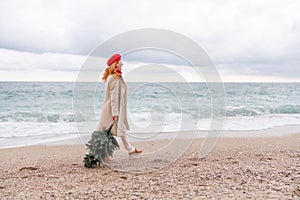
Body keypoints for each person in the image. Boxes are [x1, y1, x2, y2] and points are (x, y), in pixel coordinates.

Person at [97, 53, 142, 156]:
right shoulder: (114, 78)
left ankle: (130, 149)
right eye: (120, 61)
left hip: (113, 109)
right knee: (105, 131)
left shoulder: (115, 76)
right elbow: (114, 97)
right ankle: (100, 153)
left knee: (117, 130)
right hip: (112, 110)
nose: (122, 63)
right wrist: (115, 113)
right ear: (116, 64)